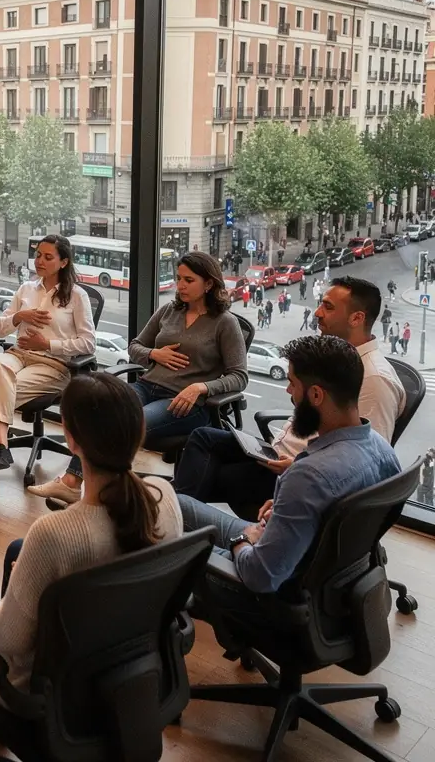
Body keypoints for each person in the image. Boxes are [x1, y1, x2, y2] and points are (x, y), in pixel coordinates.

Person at [0, 373, 182, 755]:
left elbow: (7, 645)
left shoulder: (56, 535)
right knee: (16, 550)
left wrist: (4, 610)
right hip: (130, 685)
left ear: (72, 441)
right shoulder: (165, 497)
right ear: (138, 433)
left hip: (49, 712)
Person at [179, 336, 401, 656]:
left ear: (315, 394)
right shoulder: (383, 453)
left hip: (276, 594)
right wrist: (284, 510)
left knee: (169, 531)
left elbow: (260, 576)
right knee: (179, 504)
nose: (288, 392)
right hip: (330, 585)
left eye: (292, 384)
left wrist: (241, 538)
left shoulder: (310, 476)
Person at [175, 277, 405, 519]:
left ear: (357, 318)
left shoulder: (375, 380)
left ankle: (176, 522)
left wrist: (294, 467)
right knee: (202, 438)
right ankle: (178, 516)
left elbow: (366, 465)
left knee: (201, 476)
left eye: (328, 307)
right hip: (278, 453)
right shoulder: (339, 358)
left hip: (297, 473)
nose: (316, 313)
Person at [30, 251, 247, 503]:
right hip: (146, 386)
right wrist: (155, 354)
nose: (180, 286)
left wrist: (201, 387)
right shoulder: (169, 310)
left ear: (209, 284)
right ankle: (78, 484)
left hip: (184, 401)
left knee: (126, 423)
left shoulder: (225, 323)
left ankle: (96, 491)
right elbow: (135, 347)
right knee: (99, 412)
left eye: (189, 280)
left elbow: (239, 376)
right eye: (178, 279)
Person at [0, 235, 94, 498]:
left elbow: (88, 343)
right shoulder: (26, 289)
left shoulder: (77, 296)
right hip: (18, 355)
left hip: (52, 365)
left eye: (48, 257)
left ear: (64, 262)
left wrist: (48, 344)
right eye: (38, 254)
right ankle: (0, 447)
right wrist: (20, 316)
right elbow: (0, 327)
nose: (39, 261)